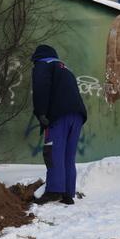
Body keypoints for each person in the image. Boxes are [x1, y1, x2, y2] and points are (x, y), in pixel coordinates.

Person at [31, 45, 87, 205]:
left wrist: (41, 113)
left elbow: (40, 88)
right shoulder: (65, 69)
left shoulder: (43, 65)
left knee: (53, 153)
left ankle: (54, 191)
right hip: (77, 116)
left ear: (38, 58)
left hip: (59, 116)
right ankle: (67, 194)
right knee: (68, 156)